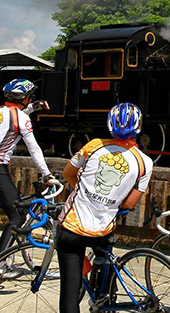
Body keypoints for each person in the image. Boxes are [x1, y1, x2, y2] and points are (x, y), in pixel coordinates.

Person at [56, 103, 152, 313]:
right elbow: (129, 204)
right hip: (104, 228)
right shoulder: (145, 162)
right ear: (139, 127)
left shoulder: (94, 145)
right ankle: (105, 294)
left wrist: (83, 191)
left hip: (72, 228)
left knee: (69, 291)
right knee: (106, 252)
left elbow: (67, 174)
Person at [0, 79, 56, 253]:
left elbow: (12, 119)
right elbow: (33, 148)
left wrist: (32, 108)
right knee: (17, 216)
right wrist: (46, 174)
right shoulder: (21, 117)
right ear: (25, 98)